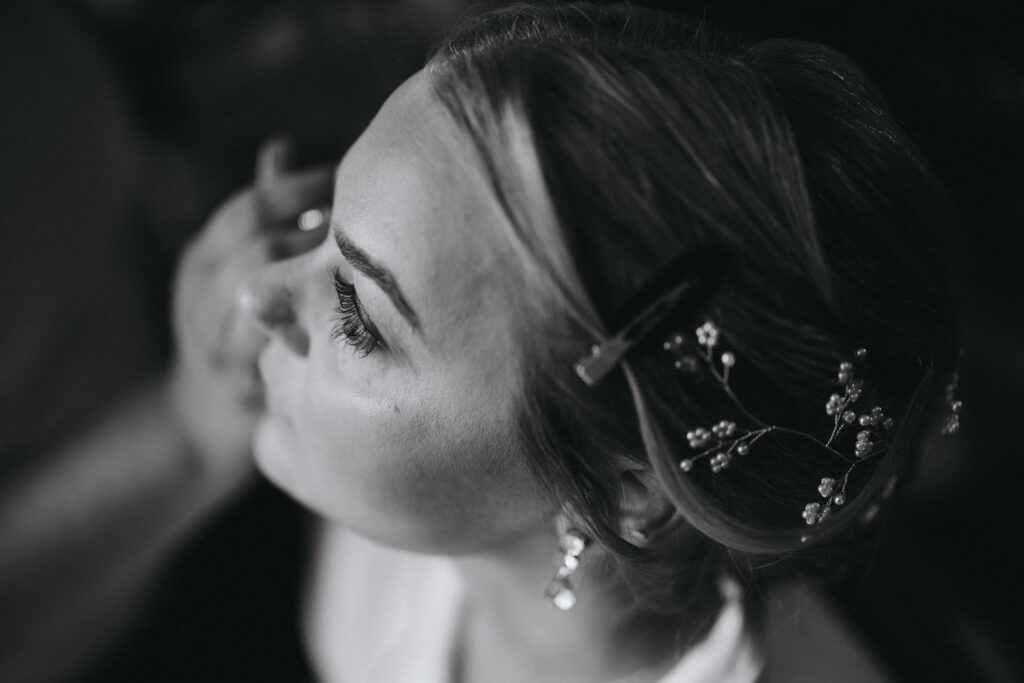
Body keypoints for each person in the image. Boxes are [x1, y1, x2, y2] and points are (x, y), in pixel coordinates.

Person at [1, 2, 963, 681]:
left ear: (626, 485)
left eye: (357, 316)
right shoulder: (399, 533)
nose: (254, 292)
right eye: (325, 219)